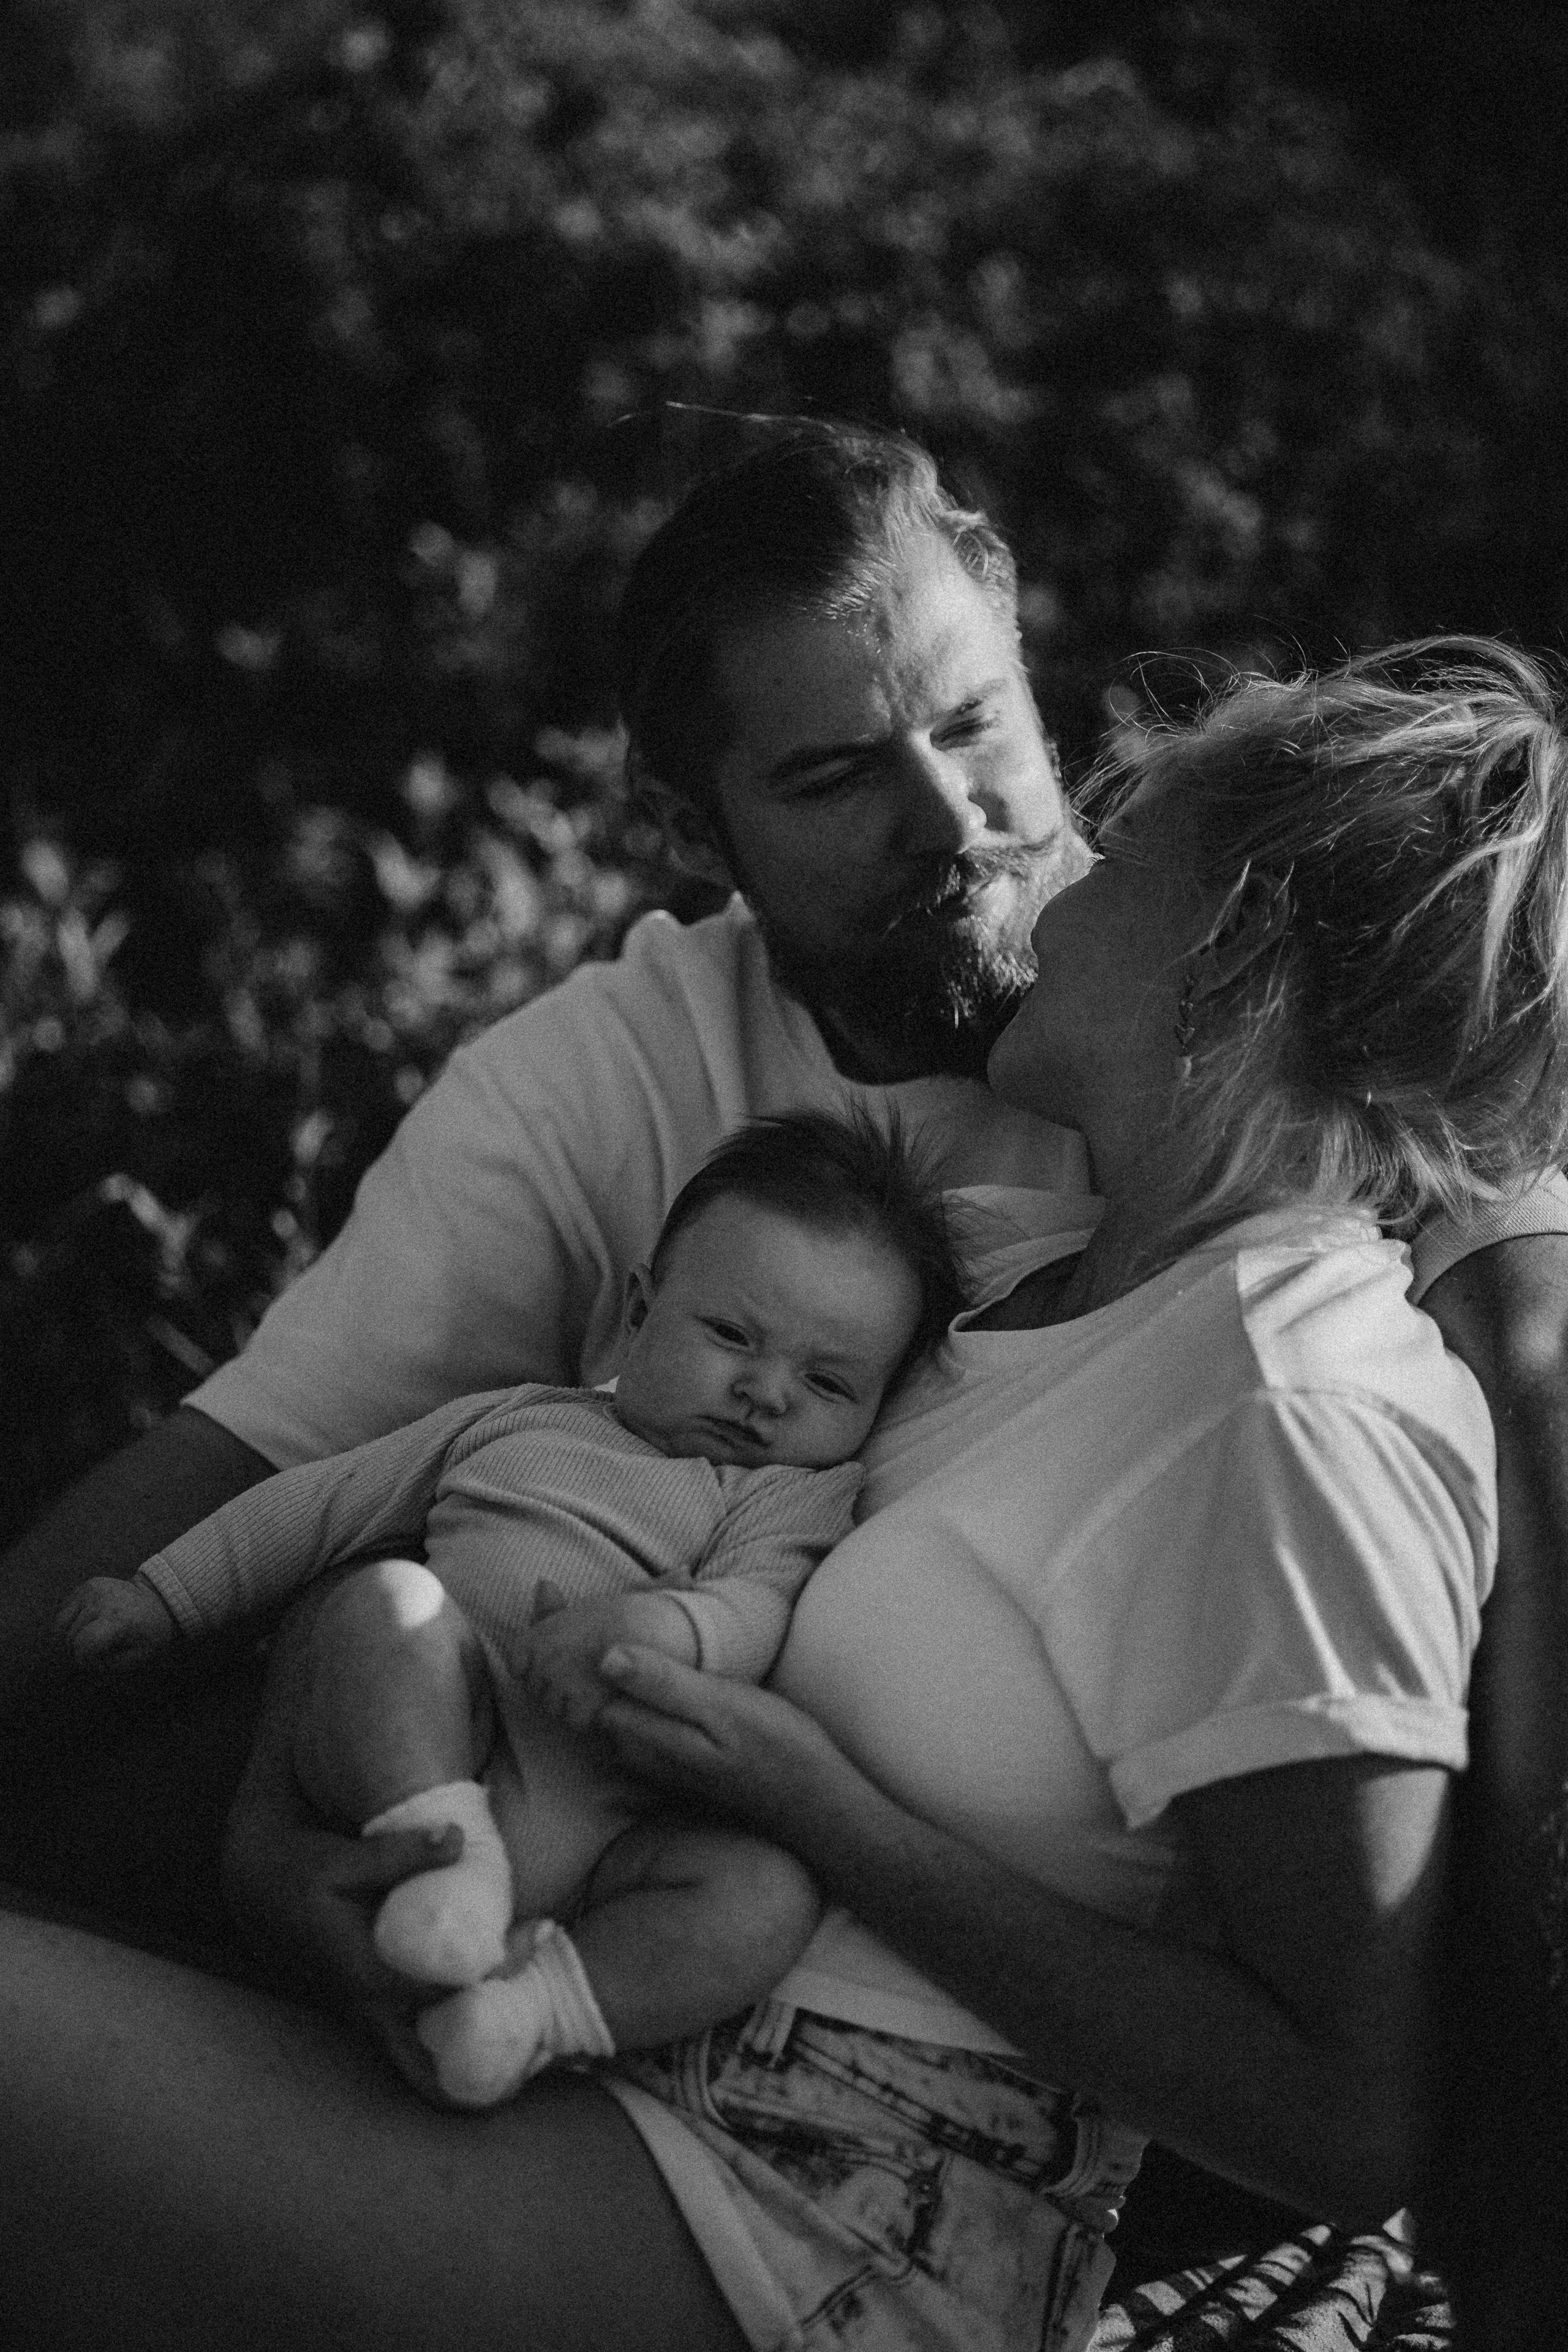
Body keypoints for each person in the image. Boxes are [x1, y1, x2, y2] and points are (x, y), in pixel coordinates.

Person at [2, 422, 1567, 2335]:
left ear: (1228, 961)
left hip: (840, 2190)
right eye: (835, 770)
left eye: (1026, 763)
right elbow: (279, 1455)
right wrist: (287, 1824)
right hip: (636, 1988)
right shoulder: (1001, 1262)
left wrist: (797, 1790)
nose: (1007, 847)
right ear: (706, 822)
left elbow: (1352, 2081)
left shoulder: (1292, 1346)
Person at [52, 1110, 963, 2107]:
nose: (765, 1392)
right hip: (430, 1730)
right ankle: (449, 1853)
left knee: (764, 1896)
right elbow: (325, 1504)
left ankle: (531, 2014)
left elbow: (760, 1603)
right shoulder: (516, 1419)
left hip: (610, 1828)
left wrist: (659, 1630)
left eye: (829, 1381)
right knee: (386, 1603)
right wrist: (164, 1597)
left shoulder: (784, 1496)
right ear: (637, 1314)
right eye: (733, 1334)